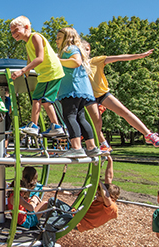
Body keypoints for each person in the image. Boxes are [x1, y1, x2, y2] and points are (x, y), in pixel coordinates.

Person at [83, 41, 159, 151]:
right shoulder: (74, 64)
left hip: (102, 94)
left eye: (87, 49)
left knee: (123, 111)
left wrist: (139, 56)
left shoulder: (96, 61)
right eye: (82, 49)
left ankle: (149, 135)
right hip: (89, 98)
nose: (85, 52)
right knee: (97, 122)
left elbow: (119, 57)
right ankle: (103, 144)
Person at [10, 16, 65, 137]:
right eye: (12, 32)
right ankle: (54, 126)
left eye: (16, 30)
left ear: (26, 27)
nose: (14, 34)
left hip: (50, 72)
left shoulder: (35, 36)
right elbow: (30, 59)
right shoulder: (27, 44)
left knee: (40, 99)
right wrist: (26, 73)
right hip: (46, 74)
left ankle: (35, 125)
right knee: (42, 100)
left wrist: (22, 71)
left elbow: (40, 58)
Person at [56, 28, 102, 158]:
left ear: (67, 38)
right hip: (82, 90)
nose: (56, 40)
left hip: (72, 89)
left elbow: (76, 62)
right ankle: (91, 147)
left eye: (59, 37)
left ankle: (76, 147)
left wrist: (57, 60)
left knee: (69, 116)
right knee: (80, 117)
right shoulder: (76, 49)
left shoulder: (69, 49)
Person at [76, 155, 120, 232]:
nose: (96, 196)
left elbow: (106, 196)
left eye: (99, 195)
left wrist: (98, 181)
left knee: (50, 222)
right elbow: (109, 177)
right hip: (76, 215)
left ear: (112, 197)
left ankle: (49, 242)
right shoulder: (105, 197)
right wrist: (110, 160)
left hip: (79, 223)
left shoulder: (111, 208)